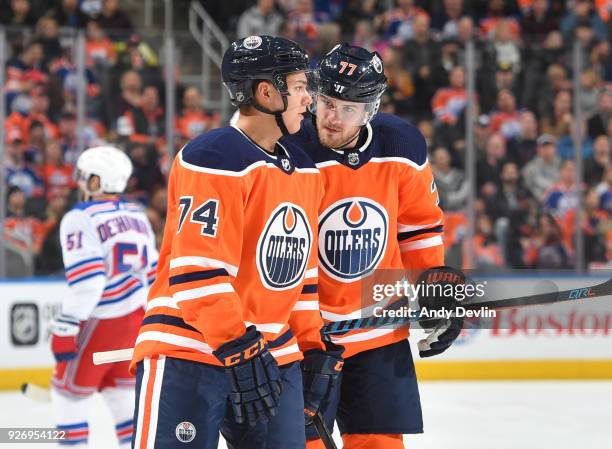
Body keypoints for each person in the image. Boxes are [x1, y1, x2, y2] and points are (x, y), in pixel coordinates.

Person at [129, 35, 342, 449]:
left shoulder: (304, 169)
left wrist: (311, 344)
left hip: (271, 356)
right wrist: (236, 344)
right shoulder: (214, 157)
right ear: (267, 93)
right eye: (299, 87)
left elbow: (301, 277)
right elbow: (197, 273)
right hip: (188, 350)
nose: (308, 99)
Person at [284, 44, 463, 449]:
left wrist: (434, 289)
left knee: (381, 443)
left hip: (379, 332)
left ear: (371, 109)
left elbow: (418, 229)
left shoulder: (401, 145)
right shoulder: (289, 150)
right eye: (327, 103)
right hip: (305, 339)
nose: (332, 117)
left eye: (348, 108)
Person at [50, 146, 158, 447]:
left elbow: (89, 281)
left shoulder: (79, 217)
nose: (81, 181)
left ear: (97, 181)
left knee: (66, 396)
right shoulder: (137, 215)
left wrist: (65, 327)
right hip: (135, 324)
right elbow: (153, 276)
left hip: (100, 323)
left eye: (86, 176)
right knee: (121, 395)